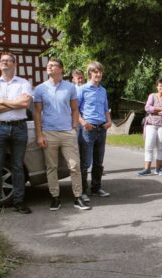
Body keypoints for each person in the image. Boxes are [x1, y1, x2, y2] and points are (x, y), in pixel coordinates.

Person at [34, 58, 91, 211]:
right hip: (49, 132)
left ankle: (78, 197)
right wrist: (39, 134)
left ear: (61, 69)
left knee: (74, 166)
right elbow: (37, 113)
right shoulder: (40, 89)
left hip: (67, 132)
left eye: (52, 65)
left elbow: (74, 109)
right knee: (51, 167)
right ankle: (55, 197)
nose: (49, 67)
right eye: (48, 66)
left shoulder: (70, 88)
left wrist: (74, 128)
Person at [0, 52, 34, 216]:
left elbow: (25, 103)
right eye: (2, 61)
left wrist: (2, 101)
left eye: (8, 60)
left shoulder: (24, 83)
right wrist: (15, 104)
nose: (4, 63)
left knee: (18, 166)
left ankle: (19, 202)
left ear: (14, 64)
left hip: (19, 127)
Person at [77, 61, 112, 202]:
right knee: (85, 162)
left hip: (101, 128)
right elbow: (75, 110)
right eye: (95, 72)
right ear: (90, 73)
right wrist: (84, 122)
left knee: (99, 161)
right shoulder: (82, 89)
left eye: (100, 72)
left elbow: (105, 109)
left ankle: (96, 188)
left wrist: (109, 121)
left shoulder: (103, 90)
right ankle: (83, 191)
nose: (98, 74)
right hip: (88, 129)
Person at [138, 78, 162, 176]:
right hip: (151, 125)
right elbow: (147, 108)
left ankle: (158, 169)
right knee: (149, 146)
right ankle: (147, 169)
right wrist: (160, 109)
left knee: (161, 148)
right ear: (157, 86)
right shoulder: (152, 96)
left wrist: (155, 111)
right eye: (160, 85)